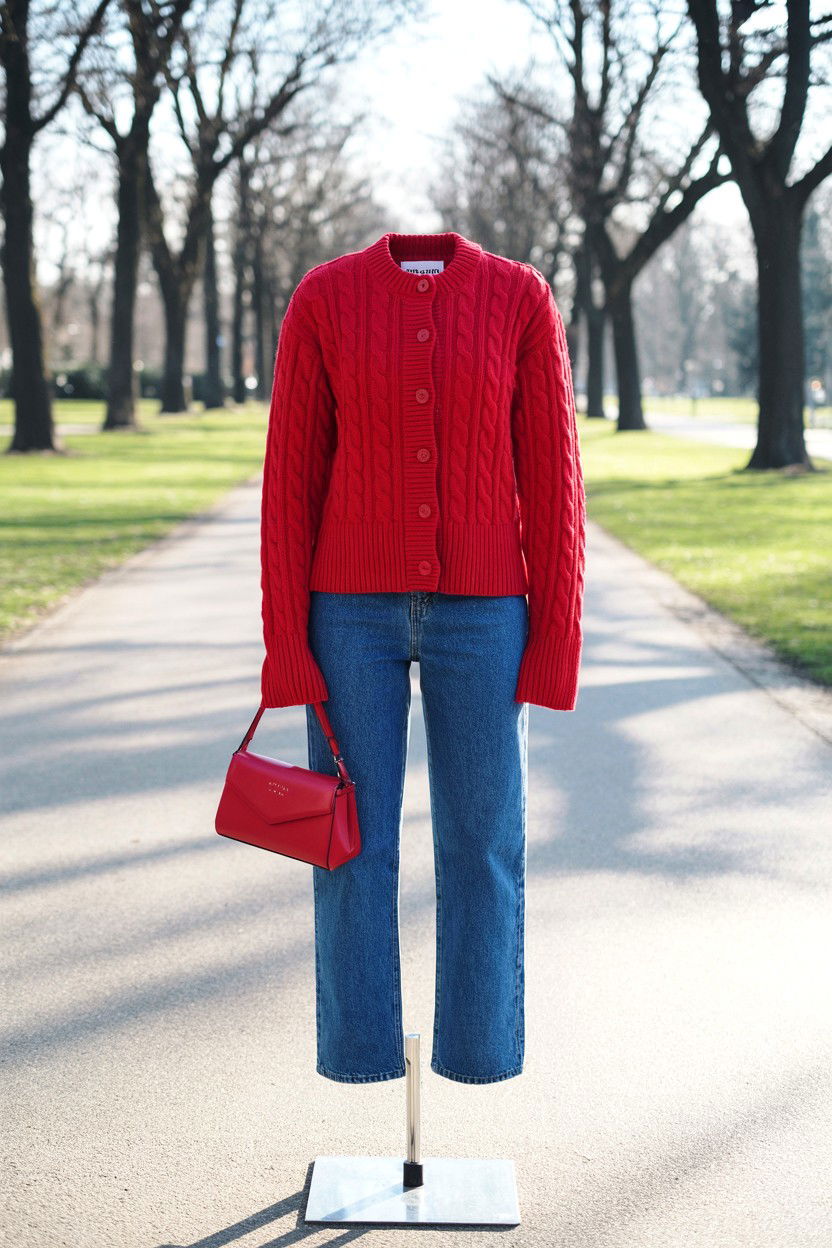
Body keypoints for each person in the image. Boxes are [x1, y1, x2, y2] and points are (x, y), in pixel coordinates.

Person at [260, 230, 586, 1084]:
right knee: (347, 846)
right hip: (347, 619)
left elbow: (554, 478)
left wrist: (555, 641)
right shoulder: (324, 297)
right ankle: (361, 1057)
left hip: (484, 617)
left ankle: (477, 1056)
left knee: (483, 844)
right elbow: (290, 479)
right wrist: (286, 646)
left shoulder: (520, 298)